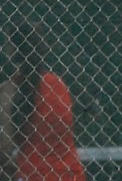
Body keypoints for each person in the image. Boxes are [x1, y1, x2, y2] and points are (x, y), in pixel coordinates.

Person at [8, 22, 86, 181]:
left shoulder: (14, 89)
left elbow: (7, 142)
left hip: (33, 173)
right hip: (70, 173)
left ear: (13, 52)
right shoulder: (57, 85)